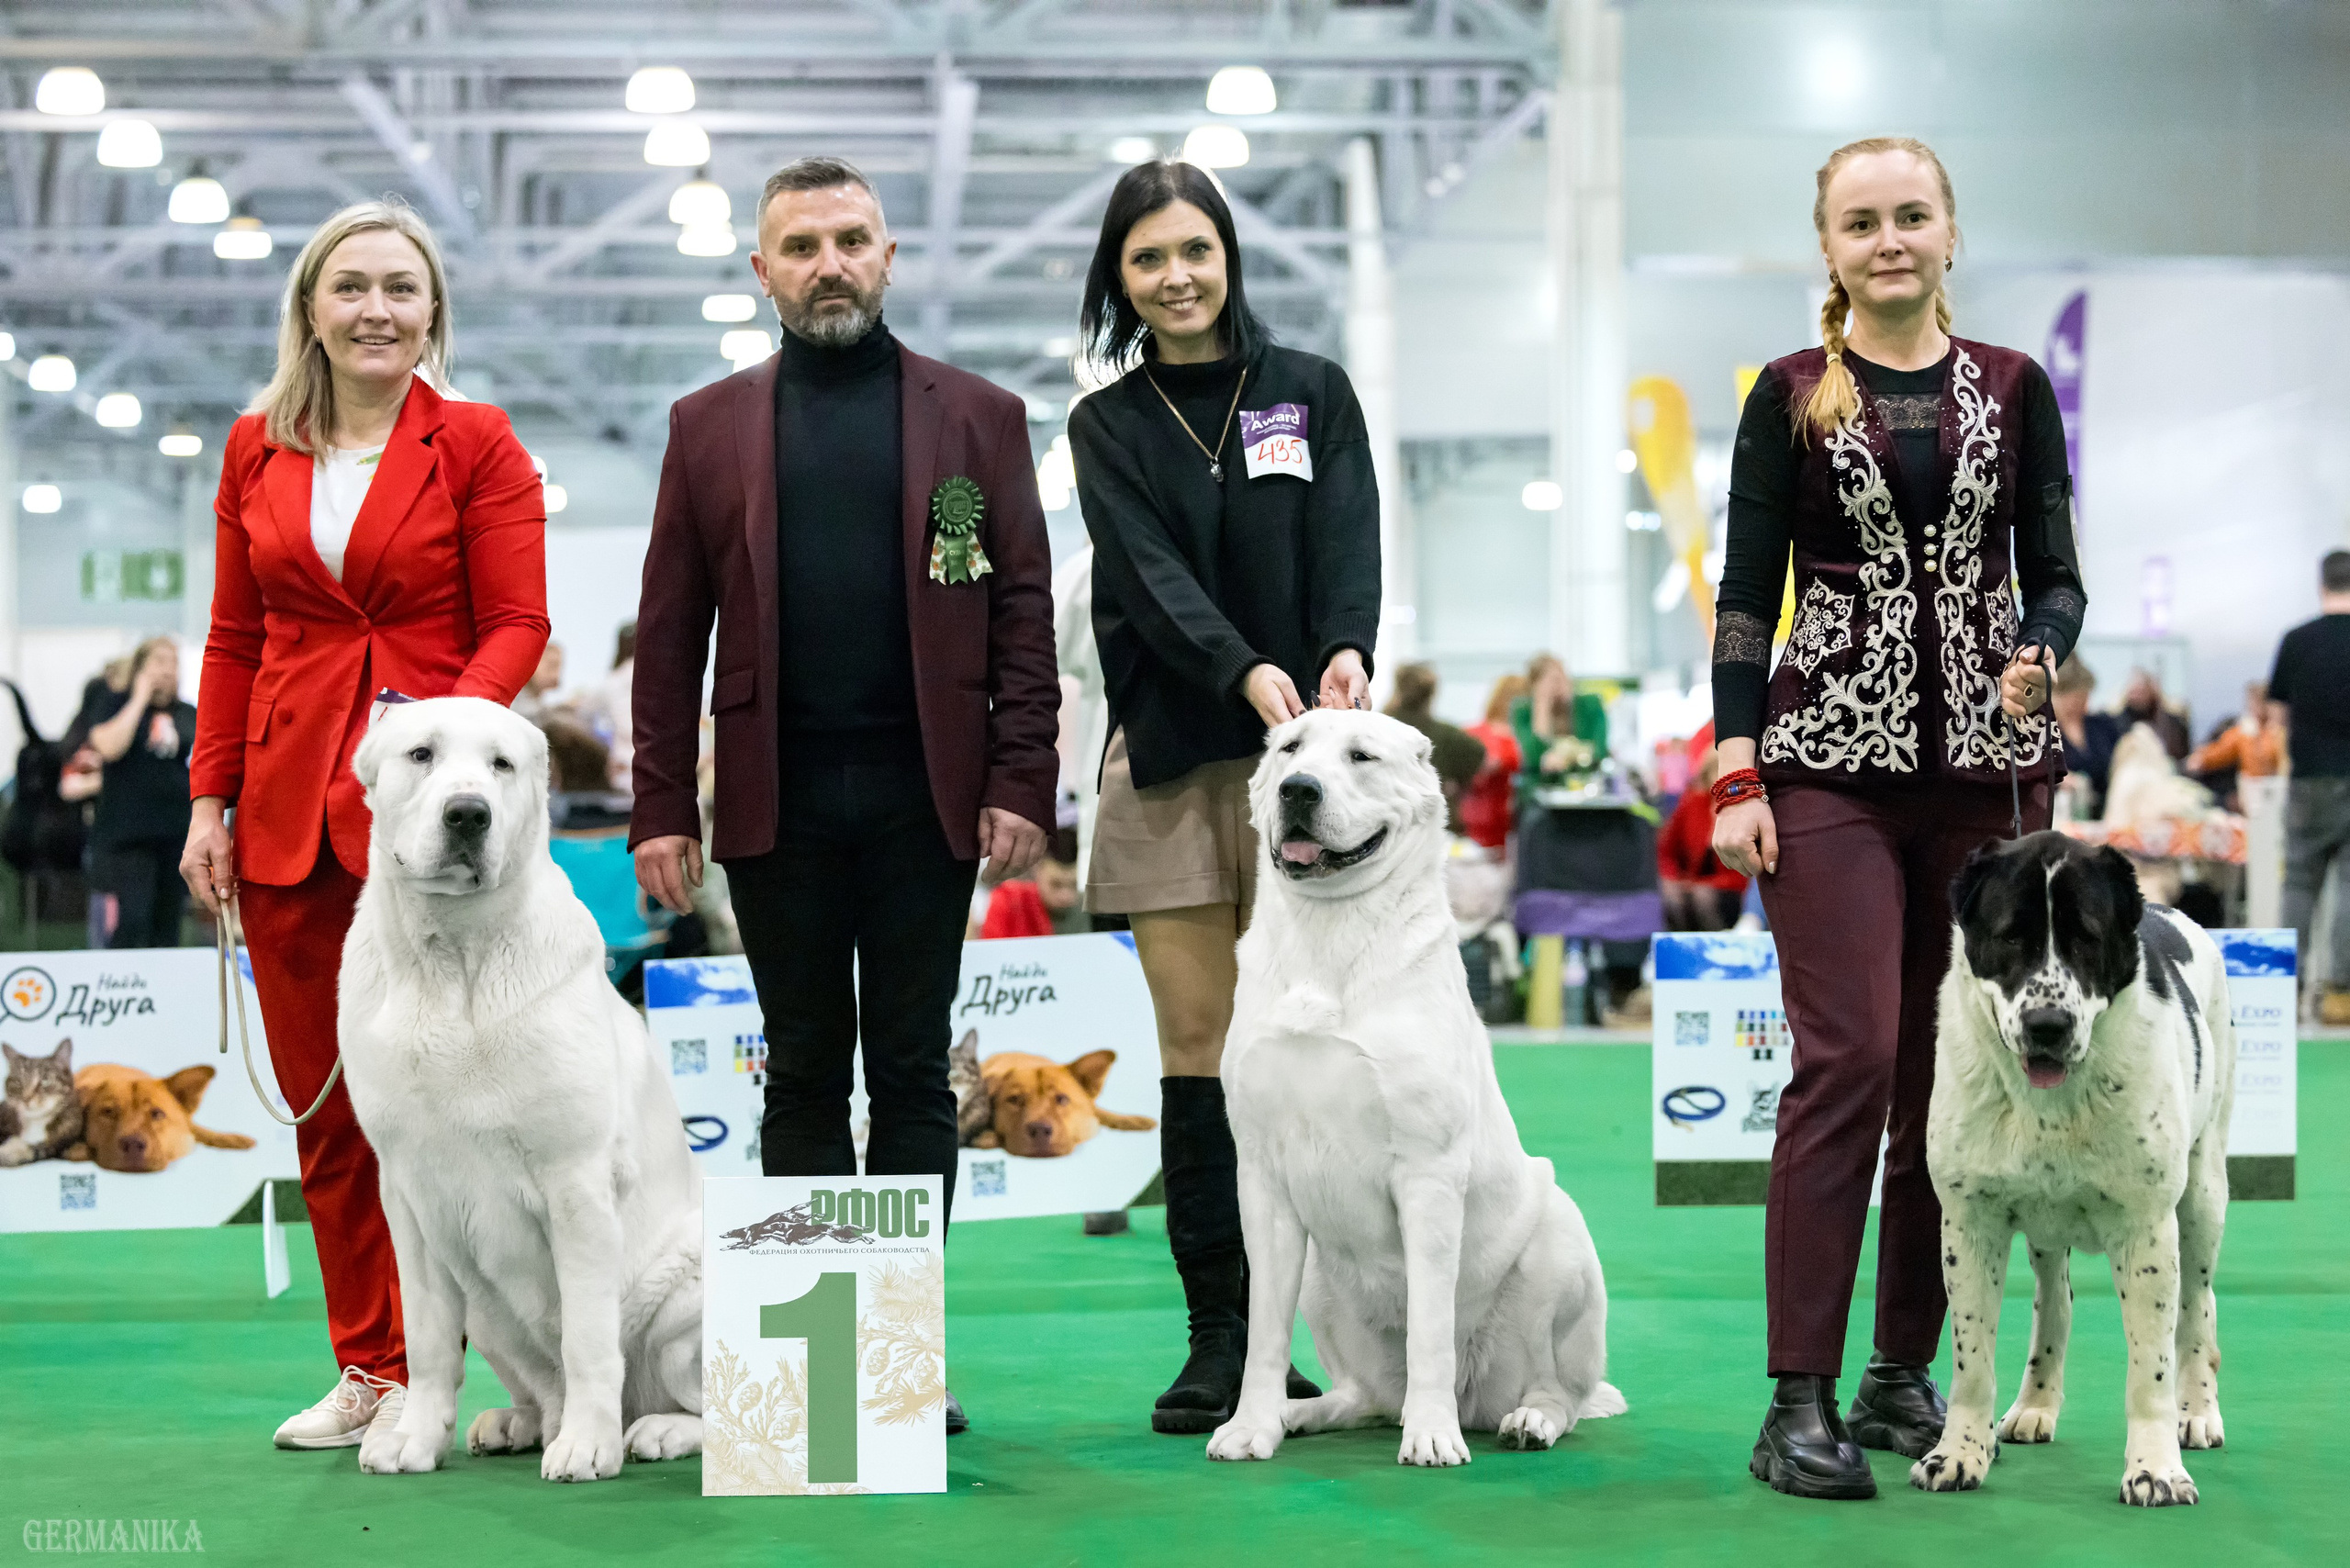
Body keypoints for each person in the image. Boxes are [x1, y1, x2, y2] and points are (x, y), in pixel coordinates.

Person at [629, 157, 1059, 1435]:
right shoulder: (704, 426)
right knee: (804, 1075)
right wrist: (662, 805)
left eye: (852, 240)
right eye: (802, 245)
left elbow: (1022, 608)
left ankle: (899, 1361)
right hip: (775, 801)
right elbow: (668, 632)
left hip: (930, 797)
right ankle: (824, 1370)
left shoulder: (978, 416)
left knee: (918, 1076)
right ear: (761, 270)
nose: (830, 263)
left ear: (888, 256)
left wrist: (1020, 772)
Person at [1708, 137, 2085, 1500]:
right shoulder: (1789, 396)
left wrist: (2041, 644)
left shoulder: (2016, 386)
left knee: (1951, 1083)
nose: (1889, 240)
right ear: (1827, 245)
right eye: (1861, 221)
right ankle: (1793, 1397)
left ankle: (1898, 1373)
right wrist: (1738, 768)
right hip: (1823, 770)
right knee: (1851, 1058)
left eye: (1910, 217)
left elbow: (2058, 572)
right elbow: (1747, 597)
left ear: (1949, 230)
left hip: (1988, 779)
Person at [180, 199, 549, 1451]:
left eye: (402, 288)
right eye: (352, 288)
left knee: (474, 1105)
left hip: (436, 826)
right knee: (329, 1106)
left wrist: (438, 745)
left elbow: (518, 622)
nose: (377, 309)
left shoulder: (479, 443)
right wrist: (208, 800)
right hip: (287, 815)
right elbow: (235, 640)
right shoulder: (253, 449)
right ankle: (374, 1370)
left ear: (432, 311)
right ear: (311, 310)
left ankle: (506, 1367)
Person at [1067, 158, 1379, 1434]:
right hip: (1176, 759)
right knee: (1202, 1053)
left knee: (1316, 1047)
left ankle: (1353, 1328)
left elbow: (1350, 534)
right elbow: (1146, 578)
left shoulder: (1310, 391)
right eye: (1147, 259)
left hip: (1315, 772)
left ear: (1229, 255)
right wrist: (1246, 671)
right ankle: (1225, 1342)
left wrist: (1346, 649)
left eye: (1195, 249)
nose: (1176, 276)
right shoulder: (1109, 425)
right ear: (1120, 281)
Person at [2269, 550, 2350, 1025]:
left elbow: (2277, 714)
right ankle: (2342, 995)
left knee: (2299, 881)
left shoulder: (2297, 640)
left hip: (2308, 779)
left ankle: (2285, 992)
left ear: (2322, 585)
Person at [84, 637, 197, 947]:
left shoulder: (187, 713)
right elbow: (108, 746)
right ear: (140, 667)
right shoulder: (114, 703)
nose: (166, 671)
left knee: (167, 925)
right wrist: (139, 698)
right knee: (132, 919)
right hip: (127, 841)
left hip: (173, 839)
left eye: (172, 663)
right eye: (158, 662)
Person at [1656, 723, 1746, 932]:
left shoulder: (1743, 808)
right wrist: (1673, 879)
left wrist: (1706, 883)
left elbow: (1744, 872)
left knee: (1702, 898)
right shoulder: (1691, 805)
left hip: (1729, 889)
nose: (1720, 778)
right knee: (1670, 896)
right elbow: (1666, 852)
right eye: (1716, 770)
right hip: (1692, 884)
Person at [1383, 662, 1488, 835]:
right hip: (1437, 828)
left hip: (1386, 826)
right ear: (1431, 695)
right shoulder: (1447, 735)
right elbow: (1482, 759)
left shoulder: (1378, 728)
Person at [2185, 679, 2283, 812]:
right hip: (2251, 790)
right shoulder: (2245, 731)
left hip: (2277, 789)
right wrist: (2202, 757)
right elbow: (2221, 751)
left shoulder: (2278, 731)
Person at [1515, 653, 1607, 784]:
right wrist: (1541, 706)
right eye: (1550, 681)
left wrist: (1567, 756)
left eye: (1560, 678)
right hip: (1541, 787)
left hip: (1584, 783)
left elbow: (1599, 750)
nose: (1557, 686)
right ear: (1534, 685)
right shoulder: (1523, 711)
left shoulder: (1590, 705)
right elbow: (1532, 758)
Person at [2049, 653, 2121, 817]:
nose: (2078, 703)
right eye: (2072, 697)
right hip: (2065, 813)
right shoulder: (2044, 732)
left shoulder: (2102, 725)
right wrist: (2058, 781)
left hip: (2106, 812)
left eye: (2083, 696)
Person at [2121, 667, 2191, 760]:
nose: (2137, 696)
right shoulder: (2117, 724)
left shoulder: (2173, 724)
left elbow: (2181, 755)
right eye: (2134, 692)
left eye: (2141, 691)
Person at [512, 641, 565, 722]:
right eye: (551, 666)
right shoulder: (512, 698)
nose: (556, 675)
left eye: (558, 668)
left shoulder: (538, 703)